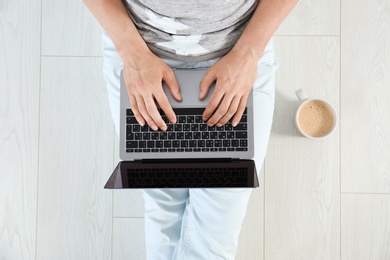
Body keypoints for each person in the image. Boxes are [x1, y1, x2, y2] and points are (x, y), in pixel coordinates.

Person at [84, 0, 298, 259]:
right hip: (140, 50)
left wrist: (249, 53)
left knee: (216, 226)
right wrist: (133, 55)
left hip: (240, 48)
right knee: (164, 208)